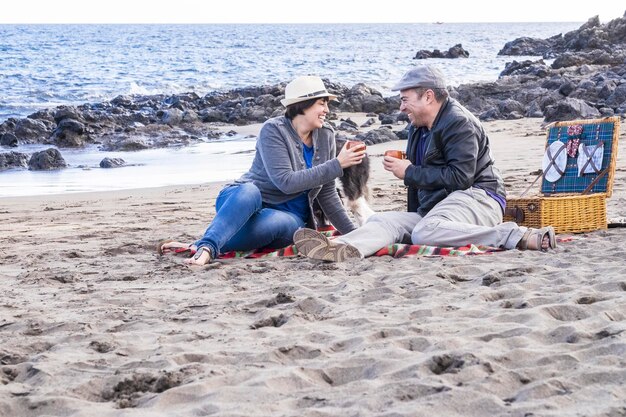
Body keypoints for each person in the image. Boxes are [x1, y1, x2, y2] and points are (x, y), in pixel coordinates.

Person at [293, 65, 556, 262]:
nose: (401, 107)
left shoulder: (458, 123)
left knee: (425, 232)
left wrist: (409, 172)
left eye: (405, 99)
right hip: (438, 207)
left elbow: (461, 178)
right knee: (383, 221)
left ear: (428, 96)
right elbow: (421, 184)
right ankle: (342, 248)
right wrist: (413, 204)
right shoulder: (419, 127)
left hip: (478, 197)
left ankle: (514, 235)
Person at [159, 75, 366, 265]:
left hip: (288, 219)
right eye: (322, 104)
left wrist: (356, 236)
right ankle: (206, 247)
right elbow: (286, 182)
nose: (327, 111)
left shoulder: (326, 135)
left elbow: (327, 192)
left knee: (279, 222)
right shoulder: (273, 130)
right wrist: (337, 165)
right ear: (303, 105)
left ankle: (202, 244)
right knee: (250, 191)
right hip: (242, 203)